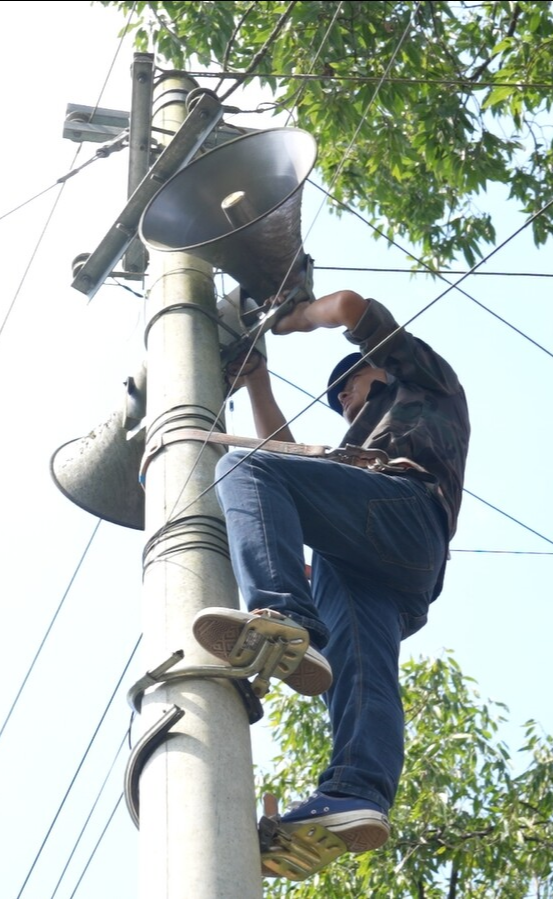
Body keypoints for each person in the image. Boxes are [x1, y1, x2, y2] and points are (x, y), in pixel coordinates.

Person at [192, 288, 469, 862]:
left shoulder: (425, 382)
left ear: (381, 369)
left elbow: (348, 306)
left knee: (244, 467)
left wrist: (294, 318)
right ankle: (355, 792)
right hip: (383, 570)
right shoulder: (354, 446)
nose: (342, 393)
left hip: (405, 510)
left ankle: (287, 616)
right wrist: (257, 383)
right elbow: (287, 461)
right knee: (361, 675)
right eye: (336, 392)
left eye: (351, 379)